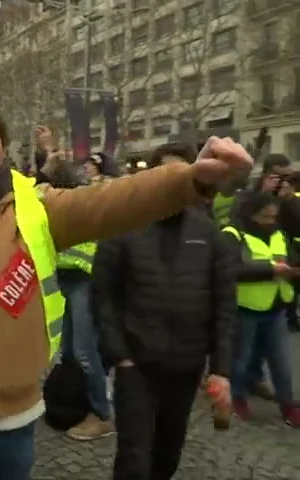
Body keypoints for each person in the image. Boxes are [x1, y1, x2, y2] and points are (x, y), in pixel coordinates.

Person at [0, 100, 252, 480]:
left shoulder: (40, 208)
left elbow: (115, 199)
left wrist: (192, 179)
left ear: (2, 147)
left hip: (13, 428)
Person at [93, 143, 235, 480]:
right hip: (136, 367)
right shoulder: (122, 224)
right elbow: (102, 296)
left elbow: (224, 304)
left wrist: (221, 369)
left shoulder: (209, 233)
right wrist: (120, 357)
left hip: (185, 369)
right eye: (165, 174)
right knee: (134, 460)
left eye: (183, 173)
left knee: (168, 455)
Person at [222, 191, 300, 427]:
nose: (270, 221)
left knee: (281, 361)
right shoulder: (233, 234)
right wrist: (271, 271)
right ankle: (237, 399)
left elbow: (291, 258)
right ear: (251, 213)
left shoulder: (279, 233)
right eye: (265, 216)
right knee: (240, 359)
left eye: (273, 216)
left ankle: (288, 405)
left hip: (276, 307)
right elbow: (231, 269)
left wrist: (294, 270)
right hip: (244, 308)